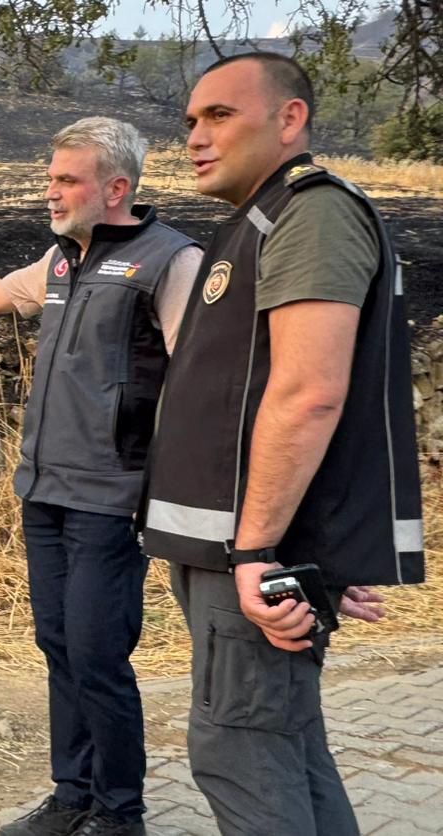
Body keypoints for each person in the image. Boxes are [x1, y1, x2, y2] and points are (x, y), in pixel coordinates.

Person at [141, 51, 425, 834]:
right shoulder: (258, 221)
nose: (196, 137)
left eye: (219, 115)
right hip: (247, 552)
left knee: (240, 750)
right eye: (191, 121)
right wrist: (320, 551)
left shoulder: (310, 212)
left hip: (253, 556)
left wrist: (259, 553)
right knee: (286, 745)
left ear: (290, 118)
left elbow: (309, 394)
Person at [0, 118, 199, 836]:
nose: (51, 192)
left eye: (67, 180)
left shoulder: (172, 261)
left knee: (99, 656)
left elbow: (201, 386)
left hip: (111, 496)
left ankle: (119, 814)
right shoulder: (63, 258)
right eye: (51, 178)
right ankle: (71, 798)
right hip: (44, 491)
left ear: (116, 188)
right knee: (59, 647)